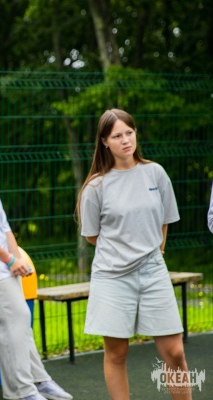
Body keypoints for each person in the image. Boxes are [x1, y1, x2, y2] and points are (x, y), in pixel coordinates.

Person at [77, 109, 190, 400]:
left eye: (129, 132)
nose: (126, 140)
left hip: (154, 271)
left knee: (175, 352)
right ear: (104, 141)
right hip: (112, 277)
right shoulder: (95, 186)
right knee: (117, 353)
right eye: (117, 136)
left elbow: (165, 219)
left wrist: (157, 251)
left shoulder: (156, 173)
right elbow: (92, 235)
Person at [0, 135, 73, 400]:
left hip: (4, 265)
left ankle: (39, 380)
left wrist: (17, 259)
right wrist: (10, 260)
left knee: (19, 322)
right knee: (14, 323)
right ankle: (21, 391)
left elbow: (4, 228)